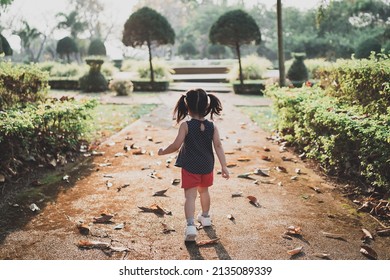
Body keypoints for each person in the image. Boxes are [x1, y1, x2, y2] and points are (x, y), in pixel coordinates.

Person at [158, 88, 230, 242]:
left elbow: (176, 145)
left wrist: (163, 151)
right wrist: (224, 166)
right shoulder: (212, 126)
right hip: (207, 166)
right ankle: (205, 217)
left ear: (187, 107)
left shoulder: (186, 125)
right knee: (204, 192)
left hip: (190, 166)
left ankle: (190, 226)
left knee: (190, 196)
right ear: (206, 106)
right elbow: (218, 146)